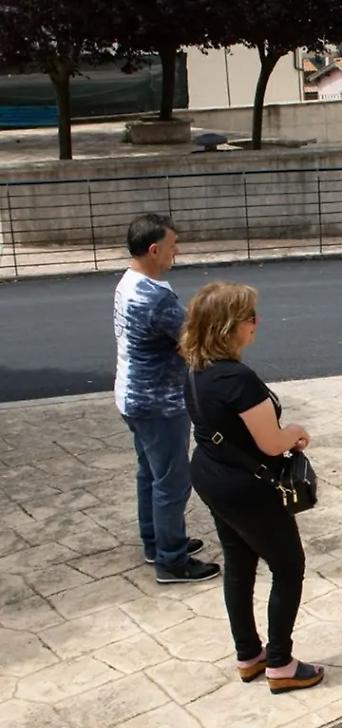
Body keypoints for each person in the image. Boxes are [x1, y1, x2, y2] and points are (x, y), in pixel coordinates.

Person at [180, 282, 324, 694]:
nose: (255, 323)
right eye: (249, 318)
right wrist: (295, 431)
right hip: (248, 488)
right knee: (288, 566)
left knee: (239, 565)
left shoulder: (197, 370)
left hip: (212, 476)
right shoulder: (238, 379)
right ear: (228, 327)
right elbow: (271, 442)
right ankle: (280, 663)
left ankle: (249, 655)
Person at [114, 214, 220, 583]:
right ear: (154, 249)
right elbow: (193, 341)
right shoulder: (154, 297)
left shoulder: (129, 283)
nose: (177, 252)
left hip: (132, 395)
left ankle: (156, 542)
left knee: (151, 474)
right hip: (159, 403)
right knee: (172, 482)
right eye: (173, 246)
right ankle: (171, 560)